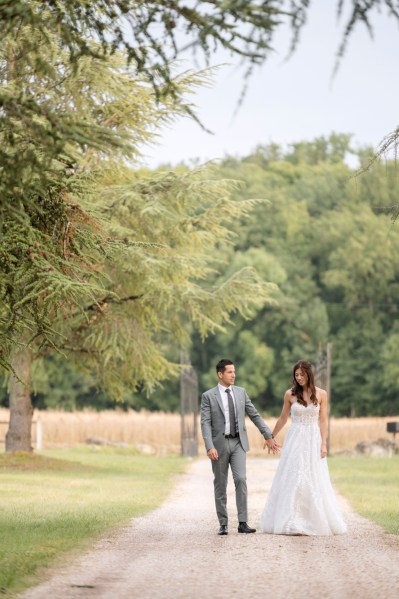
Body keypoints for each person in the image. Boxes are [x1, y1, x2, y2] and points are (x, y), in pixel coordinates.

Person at [260, 359, 347, 536]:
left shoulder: (321, 394)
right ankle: (292, 521)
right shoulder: (290, 394)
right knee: (294, 475)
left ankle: (312, 519)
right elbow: (283, 418)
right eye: (296, 375)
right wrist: (271, 436)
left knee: (313, 475)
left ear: (309, 374)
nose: (299, 378)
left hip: (313, 439)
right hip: (295, 439)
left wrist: (323, 444)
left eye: (301, 374)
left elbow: (323, 420)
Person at [201, 358, 280, 535]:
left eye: (234, 371)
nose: (233, 375)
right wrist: (209, 446)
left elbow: (255, 415)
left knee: (241, 479)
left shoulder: (241, 393)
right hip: (219, 446)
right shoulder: (208, 396)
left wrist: (268, 435)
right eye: (230, 372)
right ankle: (223, 523)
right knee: (220, 484)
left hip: (238, 443)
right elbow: (205, 423)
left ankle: (243, 522)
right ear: (220, 374)